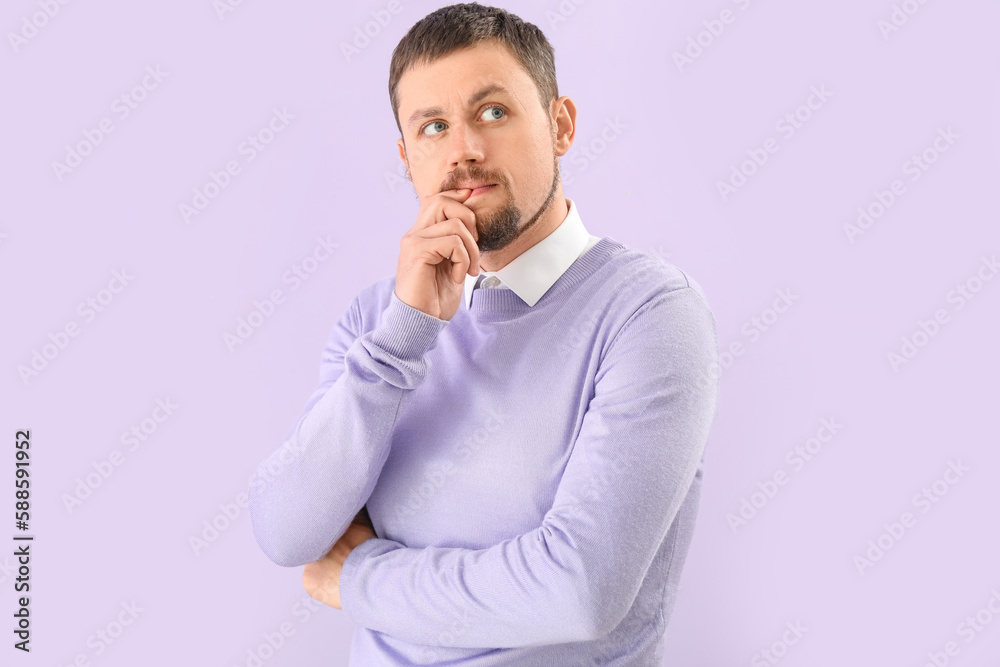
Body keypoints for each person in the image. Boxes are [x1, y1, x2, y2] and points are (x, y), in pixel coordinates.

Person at [248, 3, 720, 664]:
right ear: (408, 157)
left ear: (561, 126)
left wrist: (360, 577)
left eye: (493, 112)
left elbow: (577, 589)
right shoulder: (377, 321)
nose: (464, 149)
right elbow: (287, 528)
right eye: (433, 127)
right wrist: (403, 338)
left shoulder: (649, 313)